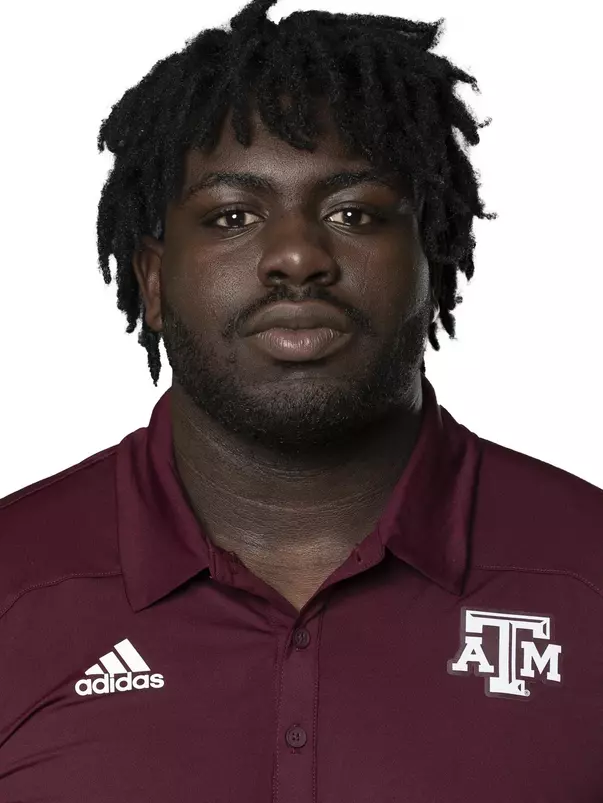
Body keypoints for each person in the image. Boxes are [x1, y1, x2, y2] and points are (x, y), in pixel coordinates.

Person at [1, 0, 602, 800]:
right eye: (234, 215)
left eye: (352, 212)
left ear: (436, 255)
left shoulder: (587, 571)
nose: (295, 256)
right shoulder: (15, 580)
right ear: (151, 279)